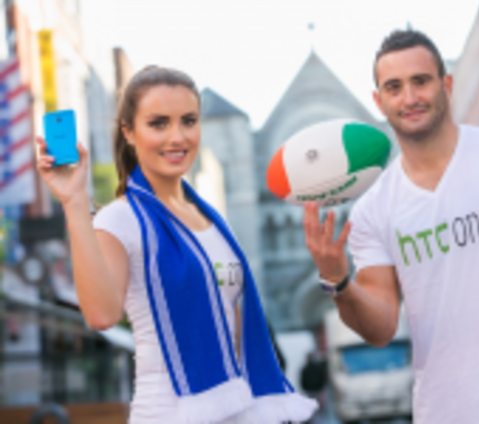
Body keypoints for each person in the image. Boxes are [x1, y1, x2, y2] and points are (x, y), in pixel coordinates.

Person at [303, 29, 479, 423]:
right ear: (379, 101)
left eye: (420, 81)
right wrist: (338, 283)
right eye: (394, 87)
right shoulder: (372, 209)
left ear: (447, 85)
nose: (409, 98)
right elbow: (381, 328)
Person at [36, 66, 316, 424]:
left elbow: (233, 327)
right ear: (129, 132)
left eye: (188, 121)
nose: (177, 137)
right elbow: (101, 315)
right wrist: (74, 200)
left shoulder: (212, 220)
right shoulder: (121, 219)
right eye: (158, 124)